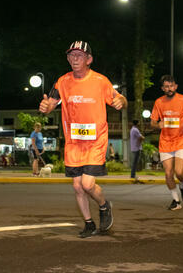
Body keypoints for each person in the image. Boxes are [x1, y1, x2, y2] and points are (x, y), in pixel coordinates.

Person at [39, 40, 127, 238]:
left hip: (95, 141)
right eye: (71, 55)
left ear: (89, 59)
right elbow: (51, 103)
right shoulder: (62, 82)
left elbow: (120, 99)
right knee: (77, 186)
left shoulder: (100, 81)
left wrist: (121, 100)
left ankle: (104, 206)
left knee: (87, 184)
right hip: (73, 142)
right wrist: (46, 107)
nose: (74, 58)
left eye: (79, 55)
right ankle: (88, 224)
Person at [151, 74, 183, 210]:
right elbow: (153, 122)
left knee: (179, 172)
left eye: (171, 86)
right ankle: (176, 201)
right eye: (166, 86)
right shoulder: (158, 102)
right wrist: (157, 125)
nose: (169, 88)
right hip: (165, 142)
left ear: (176, 86)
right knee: (168, 173)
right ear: (162, 88)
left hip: (181, 140)